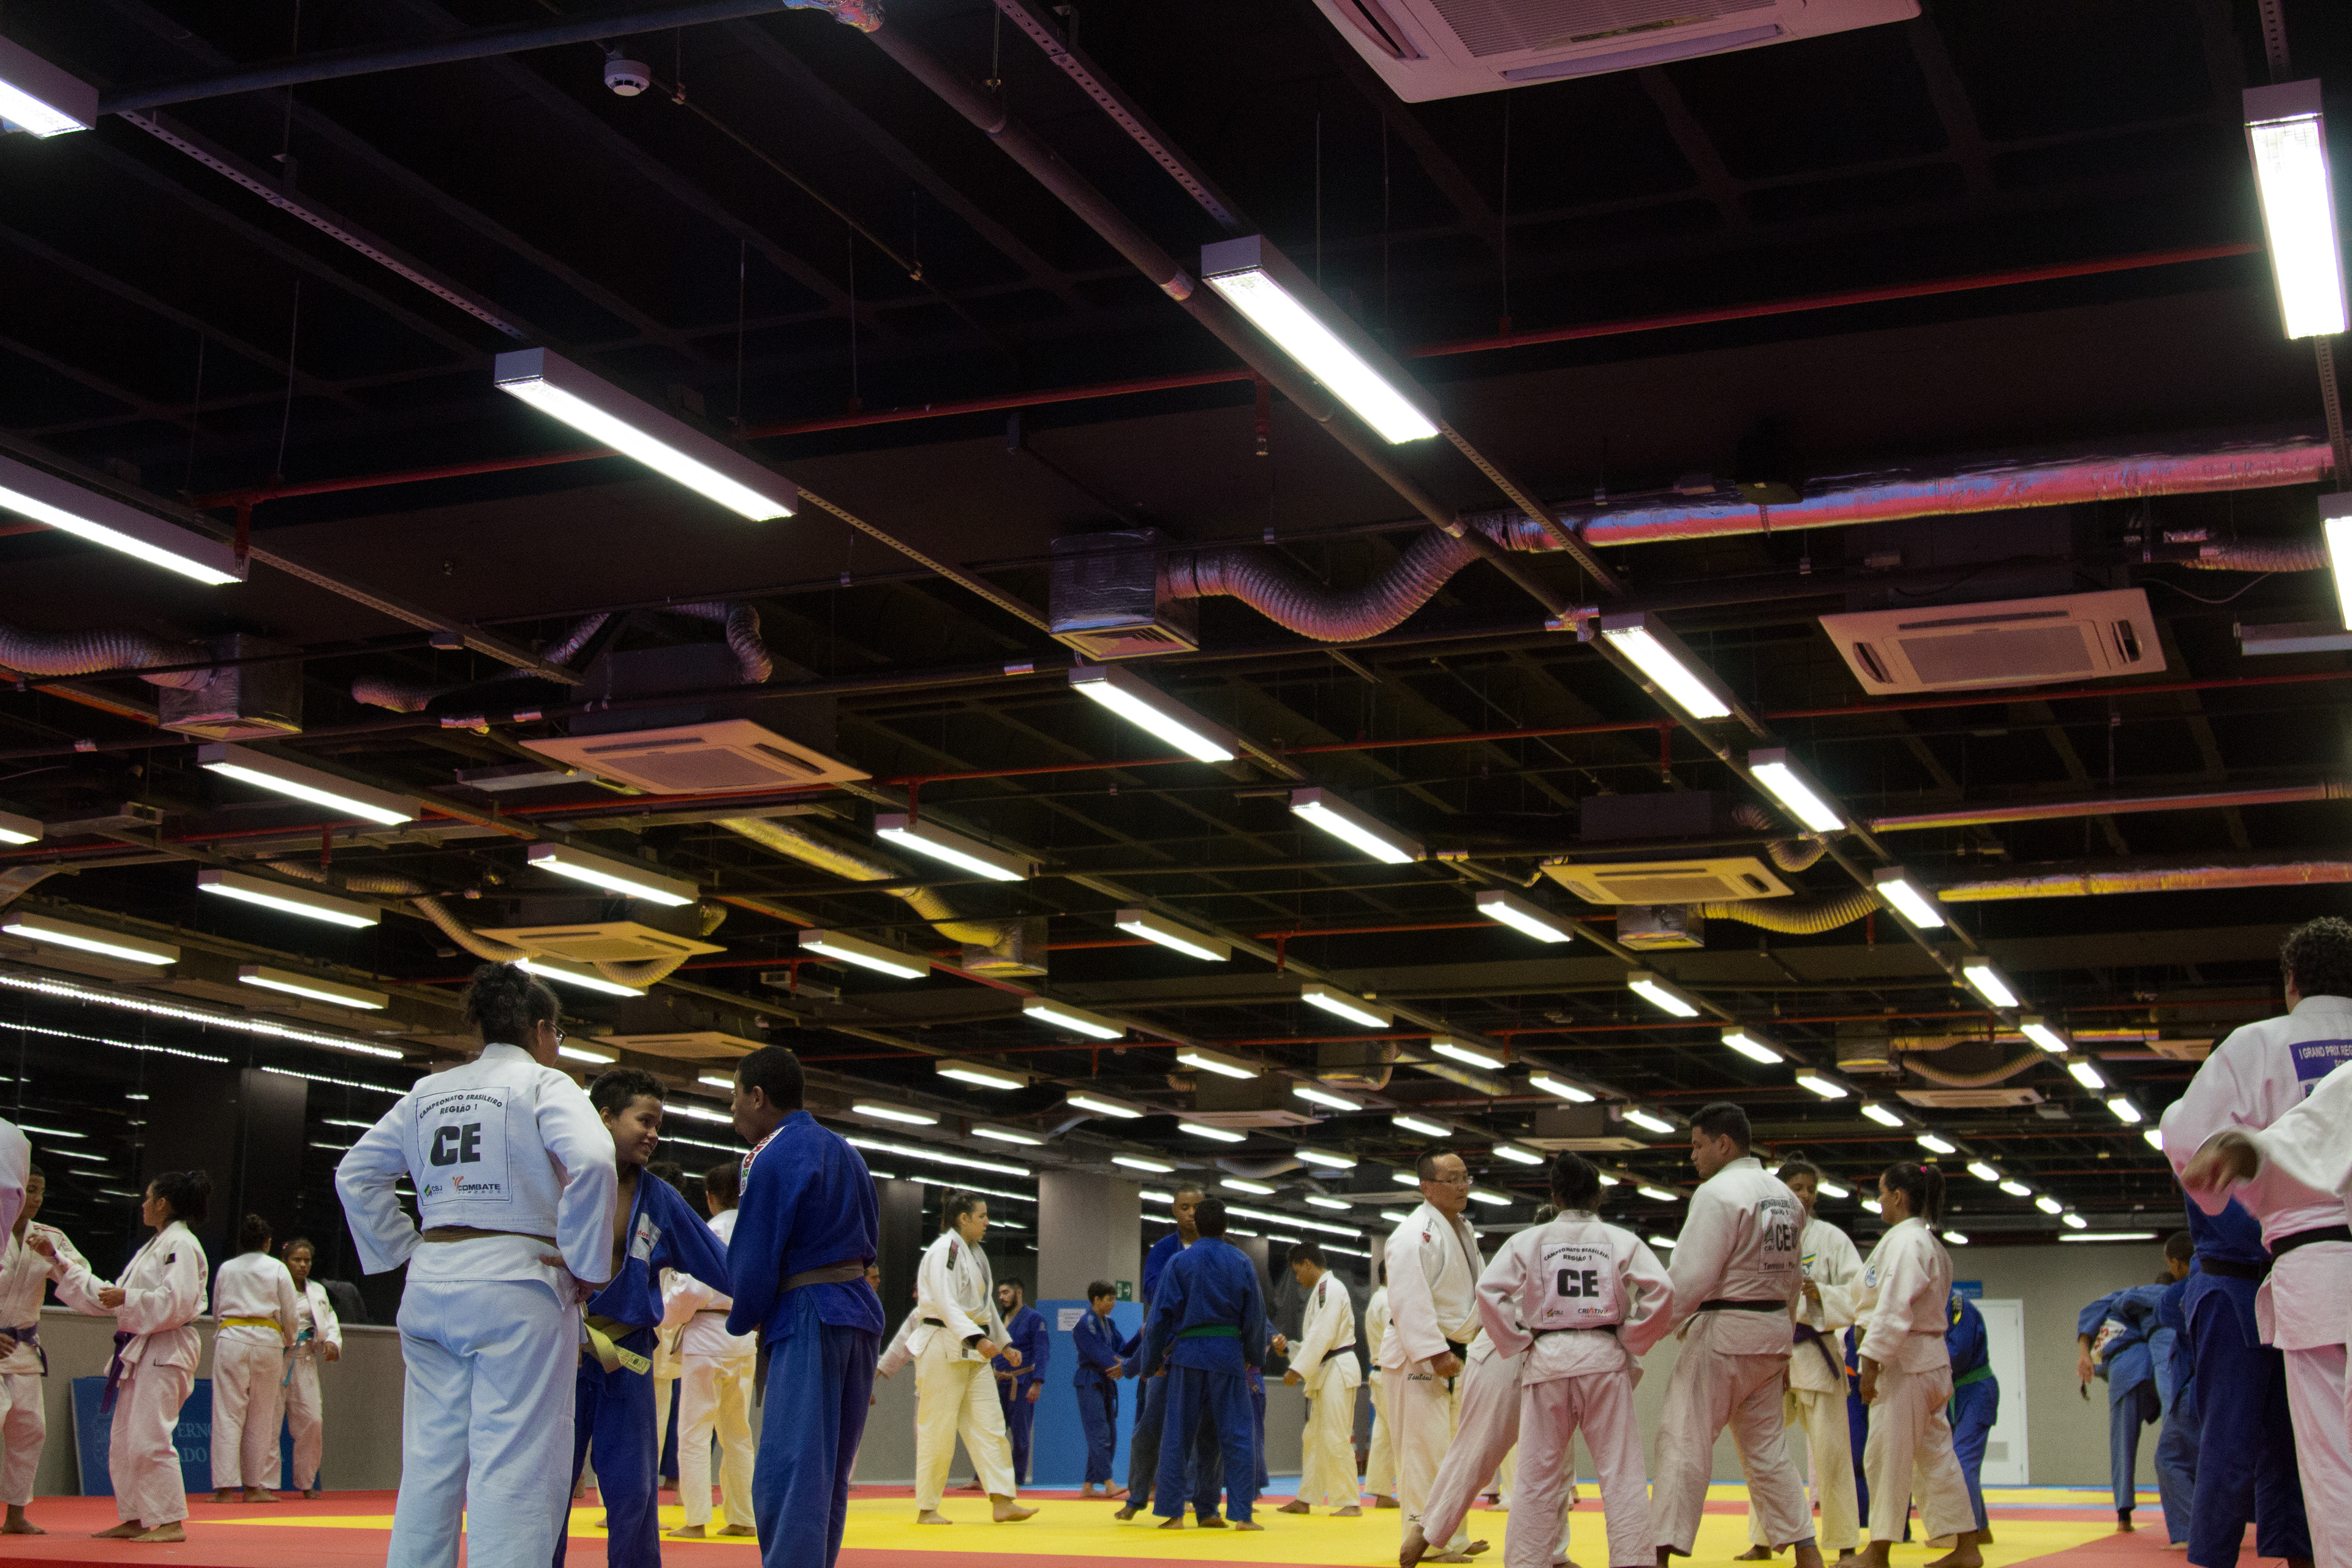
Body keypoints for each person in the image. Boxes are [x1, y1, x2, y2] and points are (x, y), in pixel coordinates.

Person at [335, 960, 619, 1568]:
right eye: (558, 1035)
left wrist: (407, 1248)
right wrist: (586, 1262)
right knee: (514, 1464)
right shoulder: (544, 1084)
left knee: (430, 1465)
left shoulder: (428, 1092)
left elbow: (355, 1173)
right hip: (518, 1285)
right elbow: (595, 1160)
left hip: (432, 1281)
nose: (557, 1046)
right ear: (540, 1030)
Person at [2166, 915, 2352, 1568]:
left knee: (2294, 1452)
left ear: (2291, 980)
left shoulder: (2258, 1043)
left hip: (2284, 1268)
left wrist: (2243, 1204)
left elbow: (2190, 1141)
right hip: (2295, 1271)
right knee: (2288, 1451)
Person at [1412, 1152, 1673, 1568]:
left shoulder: (1530, 1241)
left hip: (1547, 1359)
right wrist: (1632, 1337)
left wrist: (1516, 1341)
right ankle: (1633, 1562)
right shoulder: (1620, 1240)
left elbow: (1489, 1291)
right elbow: (1662, 1290)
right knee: (1620, 1472)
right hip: (1603, 1358)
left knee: (1537, 1475)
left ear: (1555, 1196)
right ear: (1599, 1196)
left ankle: (1527, 1562)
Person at [559, 1069, 731, 1568]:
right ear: (606, 1118)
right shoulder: (559, 1181)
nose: (654, 1134)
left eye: (658, 1124)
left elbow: (723, 1267)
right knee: (548, 1485)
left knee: (633, 1489)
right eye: (644, 1121)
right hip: (561, 1349)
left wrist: (778, 1295)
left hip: (625, 1352)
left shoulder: (660, 1199)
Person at [723, 1045, 887, 1568]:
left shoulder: (770, 1156)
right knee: (830, 1470)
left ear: (758, 1096)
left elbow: (755, 1253)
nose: (732, 1108)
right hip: (858, 1310)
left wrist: (746, 1315)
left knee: (791, 1470)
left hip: (807, 1311)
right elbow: (870, 1238)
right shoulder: (847, 1152)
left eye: (734, 1096)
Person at [1650, 1102, 1819, 1568]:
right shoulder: (1786, 1198)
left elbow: (1689, 1279)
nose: (1692, 1156)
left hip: (1725, 1334)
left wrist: (1641, 1335)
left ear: (1723, 1144)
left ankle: (1659, 1554)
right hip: (1771, 1335)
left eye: (1697, 1145)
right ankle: (1807, 1551)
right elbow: (1792, 1281)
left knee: (1682, 1436)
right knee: (1768, 1451)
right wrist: (1785, 1340)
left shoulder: (1717, 1194)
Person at [45, 1169, 212, 1543]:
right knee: (124, 1440)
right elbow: (109, 1297)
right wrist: (58, 1263)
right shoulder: (155, 1246)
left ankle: (170, 1522)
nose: (143, 1205)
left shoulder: (182, 1244)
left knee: (151, 1437)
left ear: (162, 1203)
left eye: (148, 1197)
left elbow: (178, 1302)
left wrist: (129, 1299)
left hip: (167, 1347)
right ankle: (135, 1517)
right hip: (142, 1348)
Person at [1852, 1162, 1978, 1568]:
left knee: (1885, 1457)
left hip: (1904, 1366)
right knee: (1938, 1459)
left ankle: (1879, 1550)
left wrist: (1871, 1362)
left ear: (1899, 1197)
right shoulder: (1929, 1244)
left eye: (1881, 1193)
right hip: (1930, 1364)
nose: (1879, 1200)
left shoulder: (1907, 1243)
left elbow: (1893, 1307)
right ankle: (1967, 1548)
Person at [1740, 1158, 1863, 1564]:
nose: (1806, 1195)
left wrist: (1820, 1294)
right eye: (1797, 1187)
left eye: (1812, 1188)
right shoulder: (1760, 1236)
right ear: (1781, 1192)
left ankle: (1845, 1543)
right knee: (1763, 1449)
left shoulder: (1832, 1239)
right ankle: (1762, 1539)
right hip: (1771, 1353)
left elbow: (1860, 1294)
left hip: (1816, 1352)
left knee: (1832, 1451)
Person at [1136, 1194, 1268, 1531]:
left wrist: (1151, 1363)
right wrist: (1252, 1356)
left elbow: (1159, 1318)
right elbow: (1255, 1317)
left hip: (1188, 1355)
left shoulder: (1179, 1263)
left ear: (1198, 1224)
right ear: (1226, 1226)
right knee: (1235, 1436)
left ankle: (1174, 1514)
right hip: (1227, 1355)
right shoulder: (1241, 1262)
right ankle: (1238, 1515)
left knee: (1178, 1435)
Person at [908, 1189, 1035, 1525]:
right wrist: (978, 1338)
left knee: (991, 1426)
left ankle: (1003, 1501)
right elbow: (946, 1302)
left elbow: (985, 1306)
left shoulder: (975, 1253)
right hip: (942, 1345)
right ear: (963, 1219)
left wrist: (1003, 1344)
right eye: (982, 1216)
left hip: (973, 1350)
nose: (987, 1222)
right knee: (938, 1429)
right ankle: (927, 1508)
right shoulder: (944, 1251)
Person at [1384, 1150, 1487, 1559]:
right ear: (1427, 1187)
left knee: (1453, 1453)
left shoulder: (1462, 1228)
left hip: (1457, 1351)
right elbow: (1408, 1299)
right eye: (1453, 1179)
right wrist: (1435, 1352)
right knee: (1422, 1453)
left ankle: (1451, 1536)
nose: (1462, 1187)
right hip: (1421, 1357)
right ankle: (1424, 1543)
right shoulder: (1411, 1234)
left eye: (1466, 1178)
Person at [660, 1159, 758, 1539]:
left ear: (711, 1198)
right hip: (745, 1335)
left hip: (706, 1335)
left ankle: (697, 1518)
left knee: (695, 1430)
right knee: (738, 1432)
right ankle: (743, 1517)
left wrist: (665, 1317)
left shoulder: (708, 1232)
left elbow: (692, 1290)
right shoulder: (756, 1233)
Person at [1116, 1183, 1212, 1520]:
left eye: (1196, 1207)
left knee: (1200, 1432)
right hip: (1168, 1352)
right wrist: (1152, 1356)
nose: (1191, 1214)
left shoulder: (1218, 1248)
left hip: (1203, 1350)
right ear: (1174, 1211)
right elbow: (1154, 1293)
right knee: (1148, 1427)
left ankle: (1191, 1497)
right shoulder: (1163, 1251)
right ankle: (1136, 1497)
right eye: (1184, 1208)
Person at [0, 1163, 84, 1535]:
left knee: (30, 1430)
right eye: (30, 1189)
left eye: (41, 1192)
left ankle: (16, 1515)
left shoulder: (50, 1237)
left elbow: (80, 1281)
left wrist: (55, 1256)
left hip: (24, 1349)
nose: (36, 1199)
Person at [209, 1212, 300, 1504]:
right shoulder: (277, 1268)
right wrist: (289, 1340)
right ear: (267, 1243)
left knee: (227, 1413)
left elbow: (217, 1310)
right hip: (267, 1341)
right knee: (262, 1415)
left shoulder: (227, 1268)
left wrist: (226, 1332)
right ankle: (253, 1487)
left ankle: (225, 1489)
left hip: (231, 1337)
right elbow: (290, 1313)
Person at [1275, 1240, 1362, 1516]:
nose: (1297, 1278)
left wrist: (1297, 1369)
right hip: (1328, 1368)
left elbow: (1323, 1334)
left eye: (1297, 1271)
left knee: (1336, 1435)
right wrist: (1289, 1350)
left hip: (1338, 1369)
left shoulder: (1330, 1288)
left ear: (1308, 1264)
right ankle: (1306, 1498)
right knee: (1313, 1437)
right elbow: (1317, 1339)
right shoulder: (1322, 1291)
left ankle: (1350, 1501)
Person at [2078, 1269, 2168, 1531]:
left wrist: (2083, 1353)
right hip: (2163, 1366)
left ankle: (2124, 1516)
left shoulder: (2124, 1301)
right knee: (2179, 1436)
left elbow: (2089, 1312)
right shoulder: (2173, 1296)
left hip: (2127, 1369)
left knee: (2123, 1444)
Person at [279, 1236, 342, 1499]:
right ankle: (260, 1484)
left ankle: (307, 1482)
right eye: (297, 1260)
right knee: (269, 1422)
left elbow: (330, 1319)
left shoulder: (317, 1291)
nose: (303, 1265)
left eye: (307, 1260)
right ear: (285, 1261)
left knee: (313, 1420)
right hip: (277, 1357)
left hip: (305, 1359)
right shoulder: (275, 1287)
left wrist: (331, 1341)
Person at [2152, 1237, 2196, 1551]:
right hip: (2235, 1387)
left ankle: (2192, 1531)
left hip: (2194, 1388)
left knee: (2170, 1458)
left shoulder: (2175, 1297)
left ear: (2176, 1264)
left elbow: (2163, 1311)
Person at [1945, 1291, 1998, 1545]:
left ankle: (1969, 1535)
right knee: (1961, 1459)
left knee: (1963, 1461)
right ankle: (1981, 1529)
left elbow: (1959, 1353)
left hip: (1976, 1389)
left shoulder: (1956, 1304)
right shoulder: (1937, 1304)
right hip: (1962, 1391)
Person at [1071, 1281, 1126, 1499]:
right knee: (1099, 1433)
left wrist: (1141, 1339)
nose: (1114, 1304)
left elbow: (1123, 1348)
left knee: (1110, 1433)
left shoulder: (1109, 1324)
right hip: (1090, 1380)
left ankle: (1088, 1485)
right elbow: (1101, 1354)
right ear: (1096, 1299)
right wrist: (1125, 1367)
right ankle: (1108, 1482)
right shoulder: (1084, 1324)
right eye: (1110, 1299)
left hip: (1105, 1381)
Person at [993, 1281, 1049, 1487]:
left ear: (1019, 1292)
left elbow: (1042, 1352)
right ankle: (983, 1478)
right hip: (998, 1381)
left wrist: (1037, 1382)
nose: (1001, 1297)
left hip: (1022, 1382)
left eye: (1006, 1292)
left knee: (1020, 1433)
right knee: (992, 1431)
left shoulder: (1034, 1319)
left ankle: (1017, 1479)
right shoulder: (998, 1320)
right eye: (1000, 1293)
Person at [1366, 1267, 1397, 1509]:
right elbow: (1397, 1336)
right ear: (1388, 1276)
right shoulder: (1388, 1301)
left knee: (1384, 1434)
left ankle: (1382, 1493)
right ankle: (1409, 1493)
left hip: (1381, 1373)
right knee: (1402, 1434)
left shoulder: (1378, 1299)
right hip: (1390, 1372)